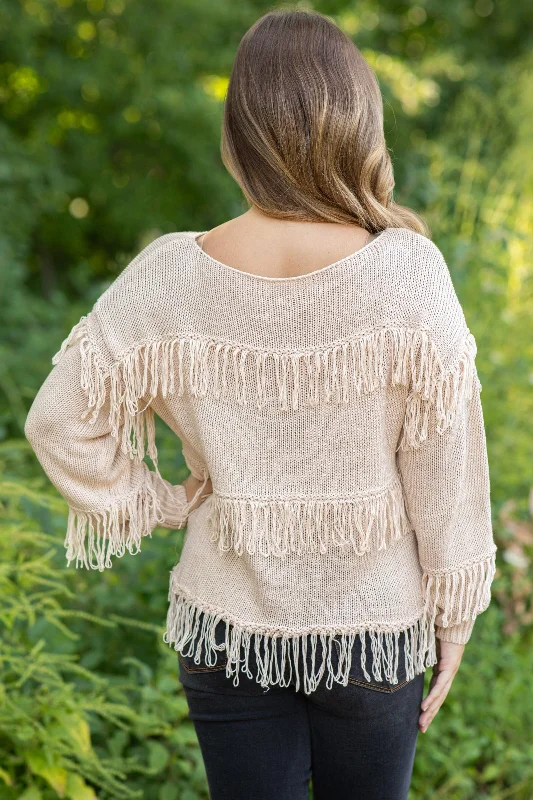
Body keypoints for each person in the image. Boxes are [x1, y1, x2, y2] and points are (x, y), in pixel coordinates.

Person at [24, 8, 497, 800]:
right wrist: (453, 614)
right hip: (371, 632)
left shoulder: (170, 272)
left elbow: (55, 420)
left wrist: (164, 502)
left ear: (239, 134)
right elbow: (443, 469)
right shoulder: (408, 273)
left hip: (224, 627)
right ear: (356, 123)